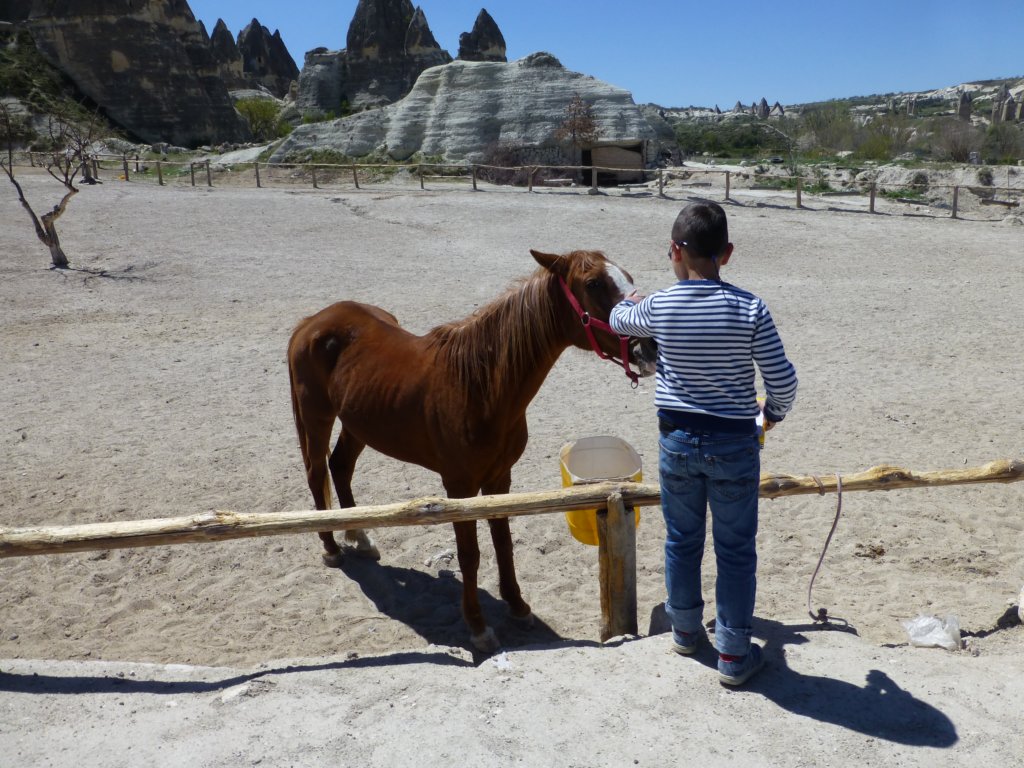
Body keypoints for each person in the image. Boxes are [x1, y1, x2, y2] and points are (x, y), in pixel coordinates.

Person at [610, 201, 797, 686]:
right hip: (734, 443)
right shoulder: (751, 307)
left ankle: (686, 632)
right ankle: (733, 656)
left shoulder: (661, 305)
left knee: (681, 539)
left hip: (676, 440)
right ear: (727, 253)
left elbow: (616, 321)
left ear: (674, 250)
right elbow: (783, 382)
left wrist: (631, 300)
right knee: (735, 550)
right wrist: (769, 416)